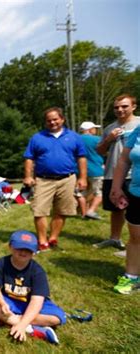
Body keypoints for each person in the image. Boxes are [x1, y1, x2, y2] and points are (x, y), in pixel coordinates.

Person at [0, 230, 66, 345]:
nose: (23, 252)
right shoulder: (2, 263)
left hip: (31, 304)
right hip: (10, 301)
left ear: (34, 252)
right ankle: (33, 329)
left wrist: (22, 324)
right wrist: (2, 303)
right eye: (19, 248)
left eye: (28, 250)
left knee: (57, 318)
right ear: (10, 247)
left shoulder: (37, 271)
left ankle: (3, 320)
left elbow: (37, 300)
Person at [23, 107, 87, 251]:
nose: (52, 122)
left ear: (62, 119)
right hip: (43, 179)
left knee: (62, 211)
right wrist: (28, 176)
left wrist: (83, 178)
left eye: (55, 119)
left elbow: (81, 158)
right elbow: (28, 158)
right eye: (49, 120)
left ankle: (53, 238)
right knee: (39, 210)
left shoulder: (74, 137)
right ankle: (42, 241)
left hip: (67, 179)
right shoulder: (37, 138)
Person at [94, 94, 140, 250]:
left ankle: (134, 244)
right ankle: (115, 239)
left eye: (124, 106)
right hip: (112, 174)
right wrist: (109, 139)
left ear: (133, 106)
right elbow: (99, 151)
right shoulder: (109, 128)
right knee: (116, 209)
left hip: (134, 175)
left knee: (135, 211)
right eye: (116, 107)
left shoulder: (139, 124)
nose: (120, 110)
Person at [110, 124, 140, 294]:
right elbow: (123, 160)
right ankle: (132, 276)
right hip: (137, 193)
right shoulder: (139, 129)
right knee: (136, 237)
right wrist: (116, 186)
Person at [75, 121, 104, 220]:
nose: (95, 130)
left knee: (81, 194)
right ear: (90, 129)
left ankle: (84, 214)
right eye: (94, 128)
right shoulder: (98, 139)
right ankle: (91, 211)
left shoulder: (75, 139)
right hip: (96, 170)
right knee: (99, 193)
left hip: (79, 171)